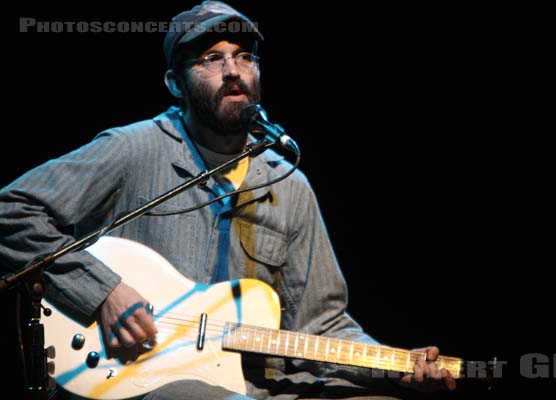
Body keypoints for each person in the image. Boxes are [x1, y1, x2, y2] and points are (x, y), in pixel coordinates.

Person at [0, 2, 456, 399]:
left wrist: (395, 366)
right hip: (142, 379)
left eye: (243, 57)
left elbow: (321, 326)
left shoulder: (288, 183)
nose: (233, 70)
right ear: (176, 84)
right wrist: (103, 293)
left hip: (258, 386)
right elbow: (12, 209)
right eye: (211, 60)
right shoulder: (135, 148)